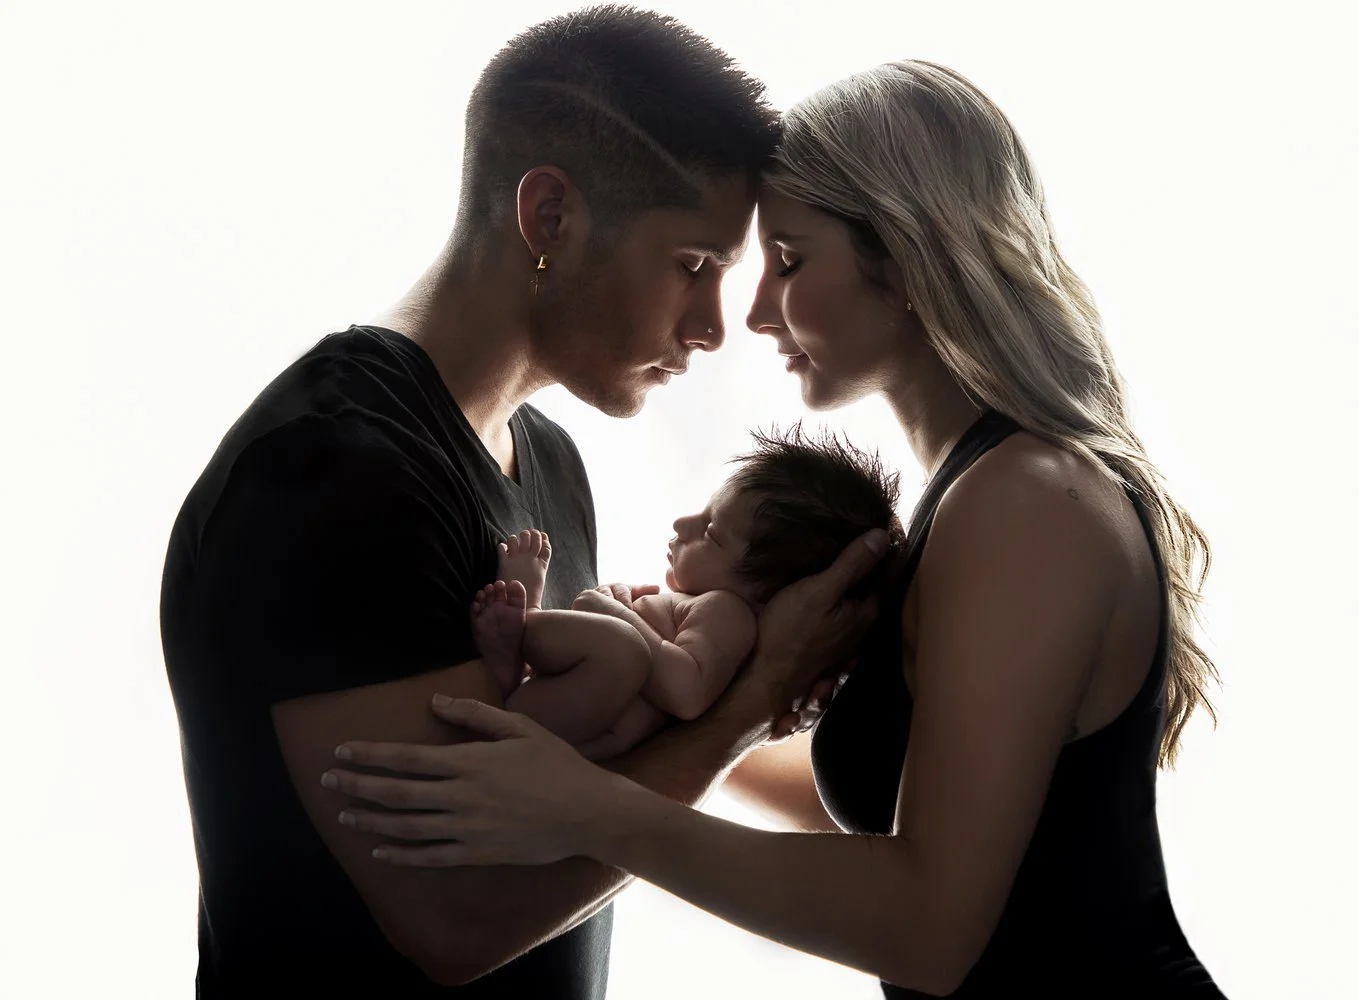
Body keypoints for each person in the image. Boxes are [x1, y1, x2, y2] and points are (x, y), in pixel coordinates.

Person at [324, 59, 1229, 997]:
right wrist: (722, 697)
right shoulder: (976, 496)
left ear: (910, 258)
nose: (753, 314)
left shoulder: (1029, 500)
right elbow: (892, 822)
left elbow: (929, 928)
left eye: (790, 261)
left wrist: (590, 808)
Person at [158, 7, 888, 996]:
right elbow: (458, 921)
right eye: (696, 266)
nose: (716, 325)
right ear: (550, 217)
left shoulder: (548, 462)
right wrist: (747, 709)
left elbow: (585, 767)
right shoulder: (334, 471)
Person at [468, 429, 904, 761]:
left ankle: (523, 629)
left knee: (621, 649)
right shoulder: (711, 613)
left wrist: (612, 612)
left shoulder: (729, 614)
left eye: (711, 533)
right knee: (615, 646)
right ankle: (516, 659)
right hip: (583, 719)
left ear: (769, 593)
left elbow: (686, 691)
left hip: (591, 725)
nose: (682, 524)